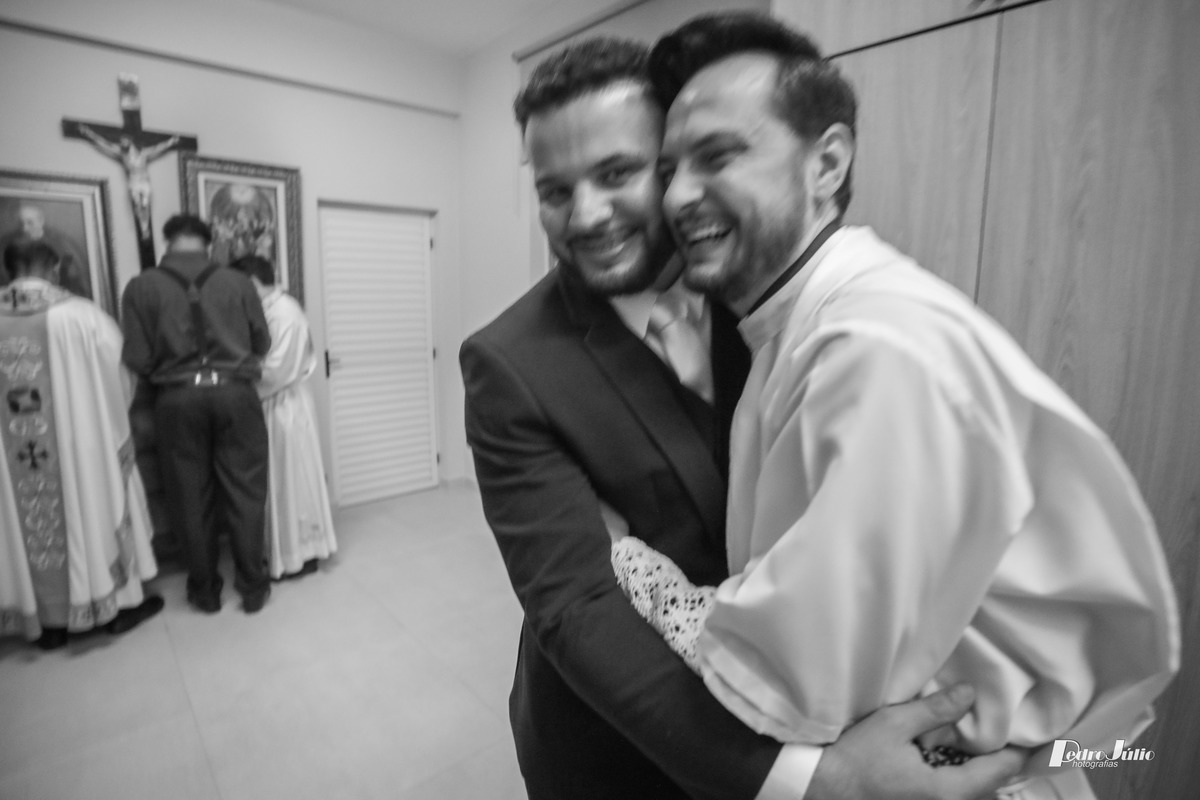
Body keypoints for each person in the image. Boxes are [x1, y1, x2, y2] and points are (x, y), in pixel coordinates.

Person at [612, 12, 1180, 800]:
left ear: (827, 162)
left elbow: (795, 675)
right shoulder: (803, 319)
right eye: (670, 168)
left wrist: (632, 567)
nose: (677, 195)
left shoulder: (869, 344)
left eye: (717, 156)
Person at [461, 36, 1023, 800]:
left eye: (619, 173)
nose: (586, 215)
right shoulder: (509, 362)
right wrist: (808, 780)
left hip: (808, 701)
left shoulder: (769, 280)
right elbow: (576, 608)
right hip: (625, 749)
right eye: (554, 191)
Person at [0, 238, 162, 650]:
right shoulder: (80, 316)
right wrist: (106, 422)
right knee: (89, 506)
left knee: (18, 523)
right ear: (52, 268)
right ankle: (109, 606)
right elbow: (119, 372)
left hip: (11, 457)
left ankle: (44, 621)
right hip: (78, 447)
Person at [121, 214, 272, 614]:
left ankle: (205, 591)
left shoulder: (141, 287)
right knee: (246, 491)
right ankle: (253, 587)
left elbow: (136, 358)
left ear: (168, 241)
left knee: (188, 495)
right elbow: (262, 342)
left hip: (177, 399)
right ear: (209, 244)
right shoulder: (238, 282)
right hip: (236, 394)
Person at [230, 254, 336, 580]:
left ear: (252, 282)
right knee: (278, 481)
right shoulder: (268, 309)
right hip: (273, 404)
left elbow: (276, 371)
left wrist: (237, 375)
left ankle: (299, 555)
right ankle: (281, 551)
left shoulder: (285, 312)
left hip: (285, 405)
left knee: (291, 480)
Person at [76, 123, 179, 240]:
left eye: (124, 141)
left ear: (130, 142)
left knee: (145, 205)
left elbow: (158, 148)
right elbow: (104, 143)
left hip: (144, 182)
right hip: (133, 182)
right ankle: (144, 229)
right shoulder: (122, 154)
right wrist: (89, 133)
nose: (122, 144)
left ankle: (145, 226)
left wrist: (171, 141)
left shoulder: (143, 154)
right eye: (121, 142)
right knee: (137, 205)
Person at [0, 203, 91, 297]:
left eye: (30, 222)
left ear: (41, 221)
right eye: (21, 223)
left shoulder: (62, 244)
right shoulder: (5, 242)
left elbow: (72, 275)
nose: (24, 228)